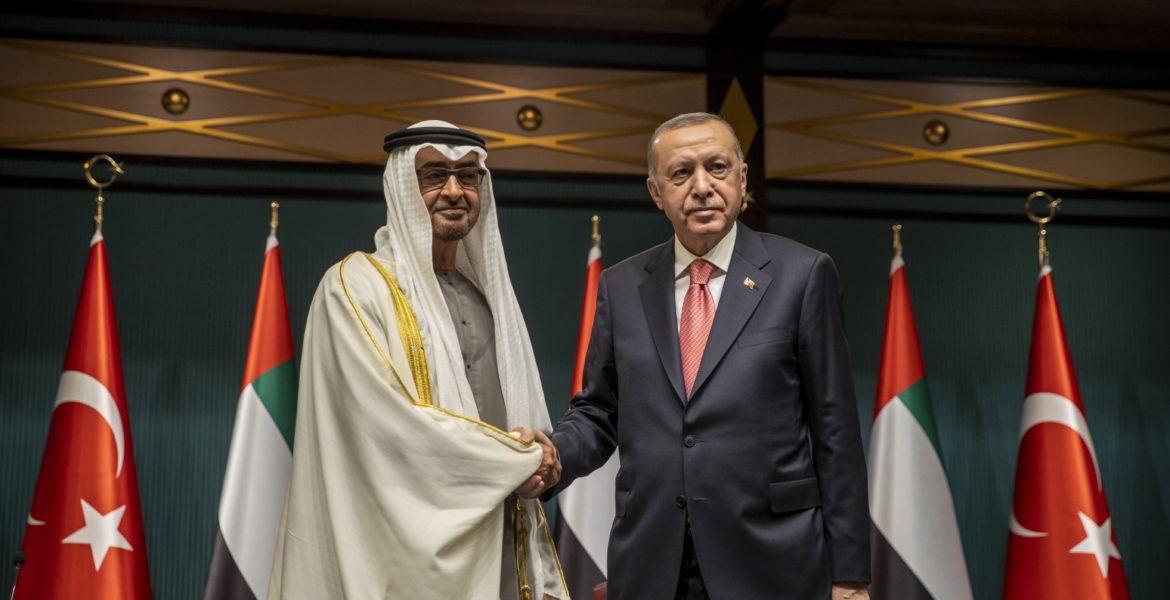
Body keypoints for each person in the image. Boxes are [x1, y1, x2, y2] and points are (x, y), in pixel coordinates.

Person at [545, 113, 870, 599]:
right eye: (681, 173)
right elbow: (598, 412)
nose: (701, 187)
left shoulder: (803, 275)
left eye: (717, 168)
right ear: (656, 192)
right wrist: (553, 455)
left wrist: (850, 576)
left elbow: (835, 430)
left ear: (742, 178)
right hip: (653, 563)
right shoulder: (622, 285)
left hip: (771, 562)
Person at [269, 120, 567, 599]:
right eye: (434, 175)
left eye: (467, 175)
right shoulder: (355, 287)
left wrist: (543, 459)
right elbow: (390, 431)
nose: (454, 191)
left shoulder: (487, 297)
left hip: (499, 540)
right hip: (395, 556)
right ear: (404, 186)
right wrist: (522, 458)